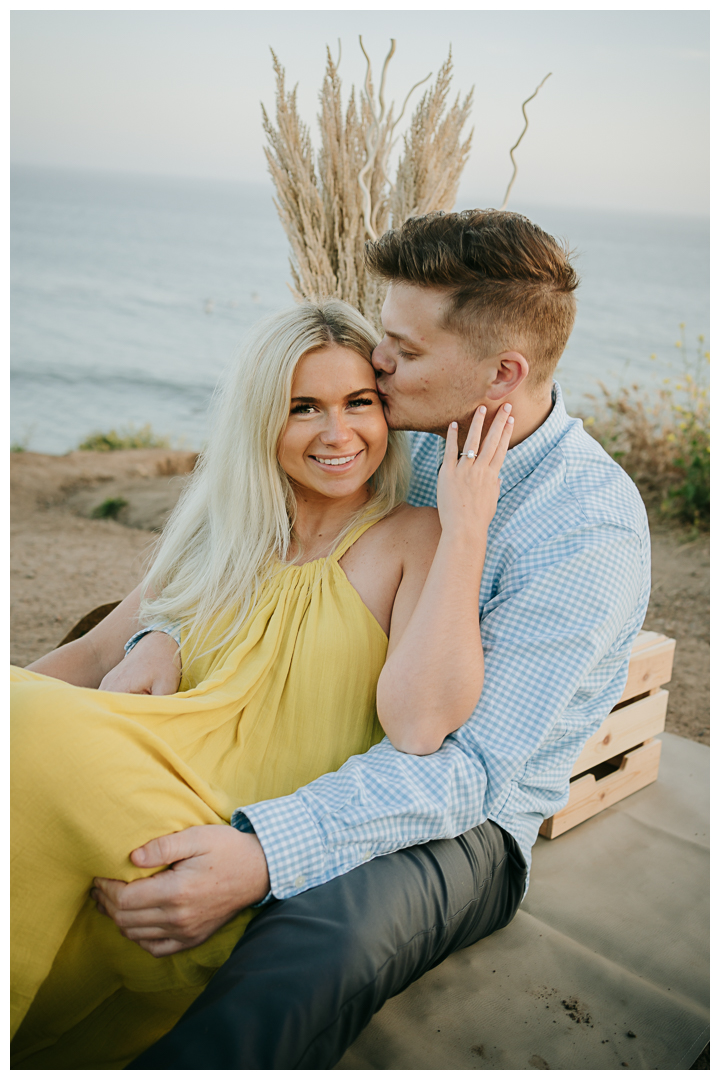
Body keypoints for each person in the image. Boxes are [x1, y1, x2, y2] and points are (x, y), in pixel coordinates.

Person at [104, 209, 650, 1070]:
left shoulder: (584, 533)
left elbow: (466, 769)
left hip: (466, 824)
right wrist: (161, 629)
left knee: (314, 943)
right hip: (309, 728)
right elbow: (255, 544)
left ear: (502, 373)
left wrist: (264, 852)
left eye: (404, 347)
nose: (377, 362)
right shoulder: (397, 434)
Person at [11, 298, 515, 1068]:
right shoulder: (225, 534)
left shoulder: (416, 540)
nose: (338, 433)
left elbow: (420, 726)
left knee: (31, 728)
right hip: (138, 790)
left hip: (224, 849)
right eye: (303, 407)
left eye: (359, 403)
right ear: (261, 420)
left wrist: (469, 525)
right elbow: (83, 661)